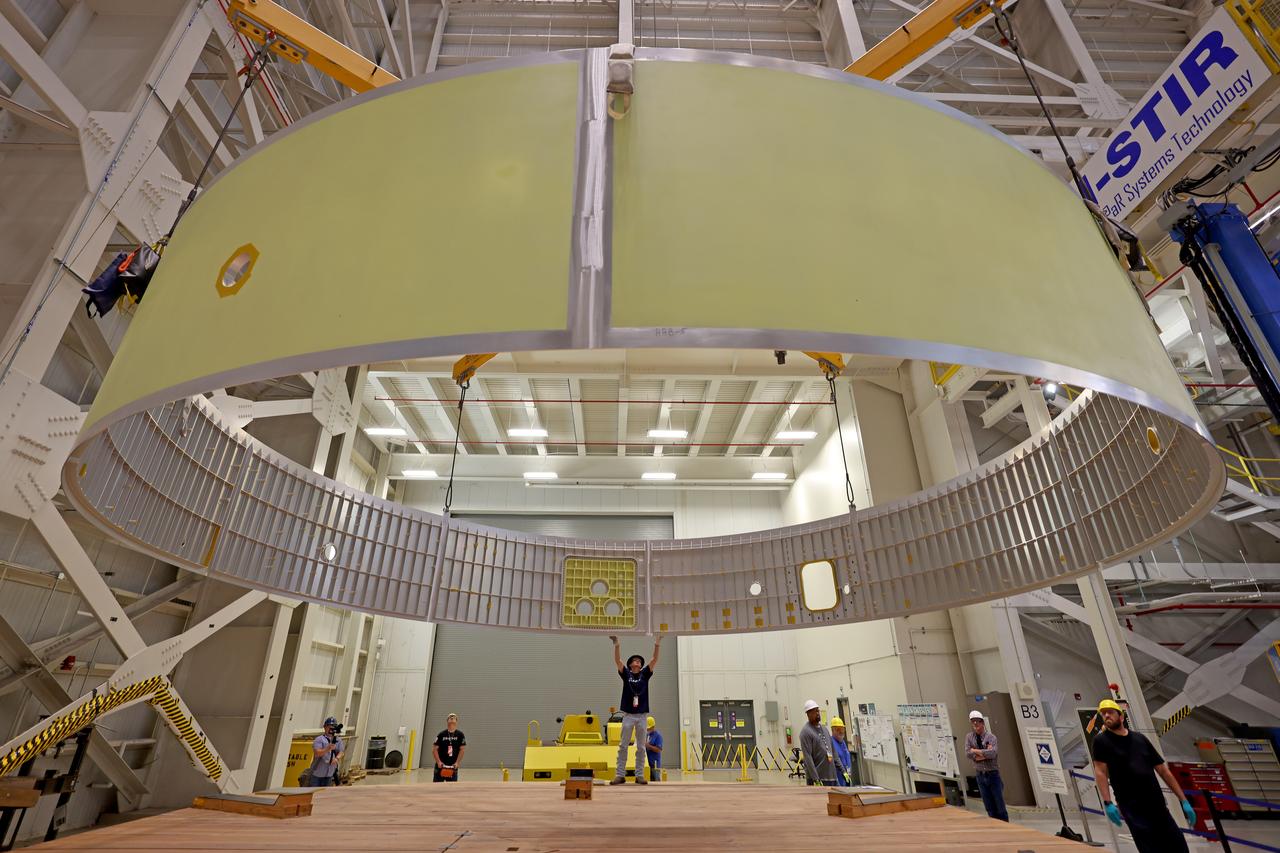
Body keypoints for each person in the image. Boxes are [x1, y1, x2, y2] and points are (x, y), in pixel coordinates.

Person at [1091, 698, 1195, 853]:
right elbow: (1100, 771)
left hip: (1156, 804)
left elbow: (1163, 770)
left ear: (1121, 717)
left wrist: (1184, 800)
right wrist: (1107, 803)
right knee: (1150, 848)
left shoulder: (1140, 739)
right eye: (1103, 714)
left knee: (1178, 845)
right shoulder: (1101, 741)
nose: (1106, 716)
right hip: (1132, 808)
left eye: (1110, 712)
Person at [609, 634, 662, 785]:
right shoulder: (626, 674)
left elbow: (654, 660)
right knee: (623, 745)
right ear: (631, 664)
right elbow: (617, 661)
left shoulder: (645, 674)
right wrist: (617, 644)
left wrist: (657, 643)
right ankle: (620, 775)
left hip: (642, 716)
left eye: (639, 661)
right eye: (635, 661)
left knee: (640, 746)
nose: (637, 662)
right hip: (628, 715)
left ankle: (639, 775)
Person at [965, 710, 1008, 821]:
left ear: (982, 722)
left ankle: (1006, 827)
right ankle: (994, 826)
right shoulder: (969, 737)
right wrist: (983, 753)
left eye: (977, 721)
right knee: (988, 805)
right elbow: (968, 754)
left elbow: (993, 754)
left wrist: (975, 750)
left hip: (993, 774)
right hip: (980, 775)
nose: (975, 724)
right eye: (973, 722)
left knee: (1000, 805)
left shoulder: (991, 737)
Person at [799, 700, 837, 786]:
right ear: (808, 714)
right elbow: (808, 757)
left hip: (831, 777)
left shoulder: (825, 729)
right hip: (818, 779)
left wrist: (842, 771)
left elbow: (833, 751)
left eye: (818, 710)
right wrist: (816, 779)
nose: (817, 713)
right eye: (814, 711)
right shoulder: (806, 732)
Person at [308, 716, 344, 787]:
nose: (331, 728)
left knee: (325, 794)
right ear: (324, 727)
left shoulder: (338, 740)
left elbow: (341, 752)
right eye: (329, 726)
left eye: (333, 726)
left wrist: (336, 759)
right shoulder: (319, 739)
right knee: (314, 793)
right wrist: (327, 748)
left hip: (330, 773)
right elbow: (317, 753)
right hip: (317, 773)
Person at [432, 713, 466, 782]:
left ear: (456, 721)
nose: (452, 718)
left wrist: (457, 763)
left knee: (452, 789)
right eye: (450, 717)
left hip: (453, 766)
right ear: (447, 721)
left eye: (454, 717)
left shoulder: (460, 735)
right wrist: (438, 762)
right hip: (441, 766)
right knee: (436, 787)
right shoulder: (441, 734)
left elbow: (462, 750)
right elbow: (434, 749)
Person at [830, 716, 852, 787]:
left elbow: (847, 756)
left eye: (842, 729)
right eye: (838, 729)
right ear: (833, 730)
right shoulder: (831, 743)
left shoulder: (842, 743)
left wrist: (848, 771)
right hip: (837, 776)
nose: (841, 732)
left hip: (846, 775)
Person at [646, 716, 663, 782]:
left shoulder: (658, 736)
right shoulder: (647, 735)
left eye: (649, 728)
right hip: (648, 764)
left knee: (656, 782)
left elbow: (658, 749)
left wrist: (648, 746)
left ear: (653, 726)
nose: (648, 729)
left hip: (655, 764)